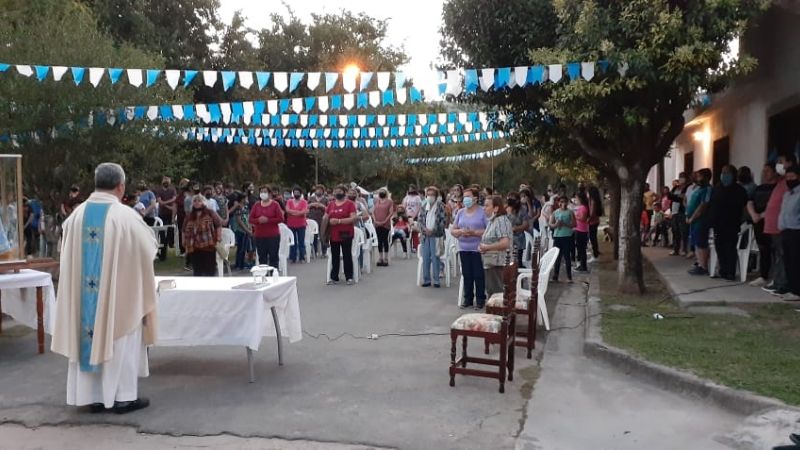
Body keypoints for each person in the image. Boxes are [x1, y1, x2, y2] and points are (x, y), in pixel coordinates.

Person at [52, 162, 157, 414]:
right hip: (118, 297)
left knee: (88, 335)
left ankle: (93, 398)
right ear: (121, 186)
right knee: (122, 341)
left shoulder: (75, 216)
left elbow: (65, 255)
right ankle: (123, 397)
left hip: (84, 301)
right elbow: (148, 251)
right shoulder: (126, 216)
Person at [763, 154, 797, 296]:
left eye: (781, 162)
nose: (778, 165)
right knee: (780, 256)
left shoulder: (792, 186)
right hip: (779, 226)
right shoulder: (782, 183)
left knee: (785, 257)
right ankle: (779, 282)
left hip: (790, 228)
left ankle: (783, 284)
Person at [452, 188, 487, 309]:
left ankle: (480, 299)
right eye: (464, 196)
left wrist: (474, 232)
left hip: (478, 248)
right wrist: (460, 232)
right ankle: (468, 299)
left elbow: (488, 230)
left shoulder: (482, 212)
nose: (465, 199)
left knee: (478, 274)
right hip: (463, 248)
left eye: (468, 196)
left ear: (475, 198)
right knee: (467, 274)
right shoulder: (460, 212)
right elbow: (453, 229)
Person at [746, 163, 778, 287]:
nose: (765, 173)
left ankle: (776, 277)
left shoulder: (777, 187)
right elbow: (750, 201)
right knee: (763, 249)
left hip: (771, 222)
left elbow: (775, 205)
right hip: (758, 223)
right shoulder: (759, 188)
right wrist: (754, 214)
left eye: (768, 171)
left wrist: (762, 215)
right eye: (763, 171)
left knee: (775, 250)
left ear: (775, 172)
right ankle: (763, 275)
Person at [480, 195, 513, 296]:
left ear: (496, 208)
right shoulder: (493, 220)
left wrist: (487, 247)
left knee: (497, 294)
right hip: (491, 262)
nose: (484, 208)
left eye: (487, 205)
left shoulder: (501, 221)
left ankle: (497, 312)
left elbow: (505, 243)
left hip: (498, 263)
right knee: (491, 291)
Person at [183, 194, 223, 276]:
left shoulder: (210, 212)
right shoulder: (189, 216)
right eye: (195, 201)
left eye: (199, 201)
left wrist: (218, 236)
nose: (197, 203)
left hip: (209, 245)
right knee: (197, 270)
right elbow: (183, 229)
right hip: (194, 246)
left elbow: (218, 224)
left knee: (210, 269)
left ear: (203, 202)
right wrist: (184, 241)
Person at [326, 185, 357, 285]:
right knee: (335, 255)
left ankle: (349, 277)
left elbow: (353, 218)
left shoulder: (350, 204)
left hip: (346, 233)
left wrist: (339, 221)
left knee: (346, 255)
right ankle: (334, 277)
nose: (337, 193)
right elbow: (326, 217)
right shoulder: (330, 204)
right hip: (333, 234)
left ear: (344, 192)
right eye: (336, 191)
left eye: (340, 191)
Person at [777, 166, 800, 300]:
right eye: (787, 178)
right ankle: (791, 288)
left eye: (792, 177)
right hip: (785, 231)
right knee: (788, 261)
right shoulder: (787, 194)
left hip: (796, 231)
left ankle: (797, 291)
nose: (789, 180)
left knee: (796, 261)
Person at [249, 185, 284, 268]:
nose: (263, 194)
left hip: (273, 236)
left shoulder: (275, 204)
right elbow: (250, 219)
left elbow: (281, 218)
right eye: (261, 192)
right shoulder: (256, 205)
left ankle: (273, 275)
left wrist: (268, 220)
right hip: (260, 236)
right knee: (262, 258)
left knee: (273, 257)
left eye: (265, 192)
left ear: (269, 194)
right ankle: (263, 276)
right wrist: (258, 220)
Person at [686, 168, 713, 276]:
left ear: (706, 177)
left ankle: (704, 266)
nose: (697, 178)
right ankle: (699, 263)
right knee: (696, 243)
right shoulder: (698, 188)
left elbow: (703, 206)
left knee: (701, 243)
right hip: (693, 220)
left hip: (701, 220)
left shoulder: (707, 189)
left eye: (699, 176)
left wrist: (693, 217)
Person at [419, 186, 446, 287]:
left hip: (436, 236)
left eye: (432, 195)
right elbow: (420, 219)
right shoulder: (424, 205)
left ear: (436, 196)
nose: (430, 197)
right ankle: (426, 280)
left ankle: (436, 280)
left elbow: (443, 221)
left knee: (435, 258)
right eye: (428, 195)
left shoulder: (440, 206)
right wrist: (424, 230)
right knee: (425, 257)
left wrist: (434, 230)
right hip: (425, 236)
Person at [550, 196, 576, 283]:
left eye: (565, 202)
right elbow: (551, 224)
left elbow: (574, 224)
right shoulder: (555, 212)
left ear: (567, 203)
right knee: (557, 257)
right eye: (561, 202)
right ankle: (555, 276)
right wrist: (556, 225)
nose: (563, 204)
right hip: (557, 236)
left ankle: (569, 277)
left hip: (567, 236)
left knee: (567, 256)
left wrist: (565, 224)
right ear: (558, 203)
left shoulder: (570, 212)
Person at [230, 192, 254, 271]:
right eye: (246, 198)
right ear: (242, 199)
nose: (247, 200)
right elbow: (239, 220)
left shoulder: (246, 207)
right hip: (240, 230)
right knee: (241, 248)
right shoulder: (238, 208)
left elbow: (248, 218)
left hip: (246, 230)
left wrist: (250, 228)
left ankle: (242, 263)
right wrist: (247, 230)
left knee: (244, 248)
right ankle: (239, 264)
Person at [155, 176, 177, 261]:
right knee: (162, 235)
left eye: (167, 181)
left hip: (170, 215)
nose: (166, 182)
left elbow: (174, 199)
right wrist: (168, 204)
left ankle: (166, 250)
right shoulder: (159, 191)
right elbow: (159, 201)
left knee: (169, 234)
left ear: (170, 182)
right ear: (162, 182)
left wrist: (165, 204)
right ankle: (162, 256)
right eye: (164, 181)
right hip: (162, 215)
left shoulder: (172, 190)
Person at [372, 188, 394, 266]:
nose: (381, 193)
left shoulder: (389, 202)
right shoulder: (376, 201)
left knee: (385, 240)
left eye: (383, 192)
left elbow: (391, 212)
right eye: (380, 192)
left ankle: (386, 258)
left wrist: (384, 221)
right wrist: (375, 220)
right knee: (379, 240)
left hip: (385, 224)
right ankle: (380, 257)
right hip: (377, 223)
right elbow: (373, 212)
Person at [286, 186, 308, 263]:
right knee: (292, 242)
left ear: (300, 193)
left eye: (298, 193)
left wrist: (293, 213)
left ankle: (302, 257)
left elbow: (304, 211)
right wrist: (298, 213)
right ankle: (293, 257)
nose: (296, 194)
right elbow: (287, 210)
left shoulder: (304, 202)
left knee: (301, 242)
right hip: (291, 224)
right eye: (295, 192)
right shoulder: (289, 201)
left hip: (301, 224)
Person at [506, 191, 529, 267]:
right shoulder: (506, 208)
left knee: (518, 261)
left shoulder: (523, 210)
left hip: (519, 239)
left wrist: (515, 228)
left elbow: (526, 225)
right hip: (507, 239)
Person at [669, 173, 690, 256]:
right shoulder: (676, 187)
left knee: (683, 231)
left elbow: (684, 198)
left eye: (683, 177)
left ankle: (684, 249)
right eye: (680, 177)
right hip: (674, 211)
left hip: (682, 211)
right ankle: (675, 249)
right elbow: (670, 196)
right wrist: (677, 196)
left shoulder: (687, 187)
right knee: (675, 231)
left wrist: (676, 197)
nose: (681, 179)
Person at [308, 185, 329, 257]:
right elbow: (306, 207)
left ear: (323, 191)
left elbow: (329, 209)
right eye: (317, 190)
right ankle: (315, 252)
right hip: (312, 219)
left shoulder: (326, 199)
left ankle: (324, 252)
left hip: (322, 219)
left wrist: (322, 206)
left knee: (323, 235)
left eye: (320, 190)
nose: (318, 191)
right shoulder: (311, 198)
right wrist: (312, 204)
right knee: (313, 236)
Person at [573, 192, 590, 272]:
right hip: (579, 229)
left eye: (576, 198)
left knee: (582, 249)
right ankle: (582, 265)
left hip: (581, 230)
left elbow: (583, 218)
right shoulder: (581, 207)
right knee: (580, 249)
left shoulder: (583, 208)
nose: (576, 200)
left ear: (580, 199)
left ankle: (583, 266)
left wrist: (575, 216)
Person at [403, 185, 423, 252]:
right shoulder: (407, 197)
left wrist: (414, 216)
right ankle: (409, 247)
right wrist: (406, 215)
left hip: (415, 216)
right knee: (408, 231)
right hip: (407, 216)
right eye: (409, 188)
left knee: (414, 231)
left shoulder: (417, 197)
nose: (410, 190)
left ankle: (415, 246)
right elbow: (404, 206)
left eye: (411, 188)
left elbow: (419, 207)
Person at [587, 186, 603, 259]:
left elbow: (592, 213)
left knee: (592, 237)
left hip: (592, 222)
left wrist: (588, 220)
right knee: (594, 237)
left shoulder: (592, 201)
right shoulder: (596, 200)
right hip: (596, 221)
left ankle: (595, 252)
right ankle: (596, 250)